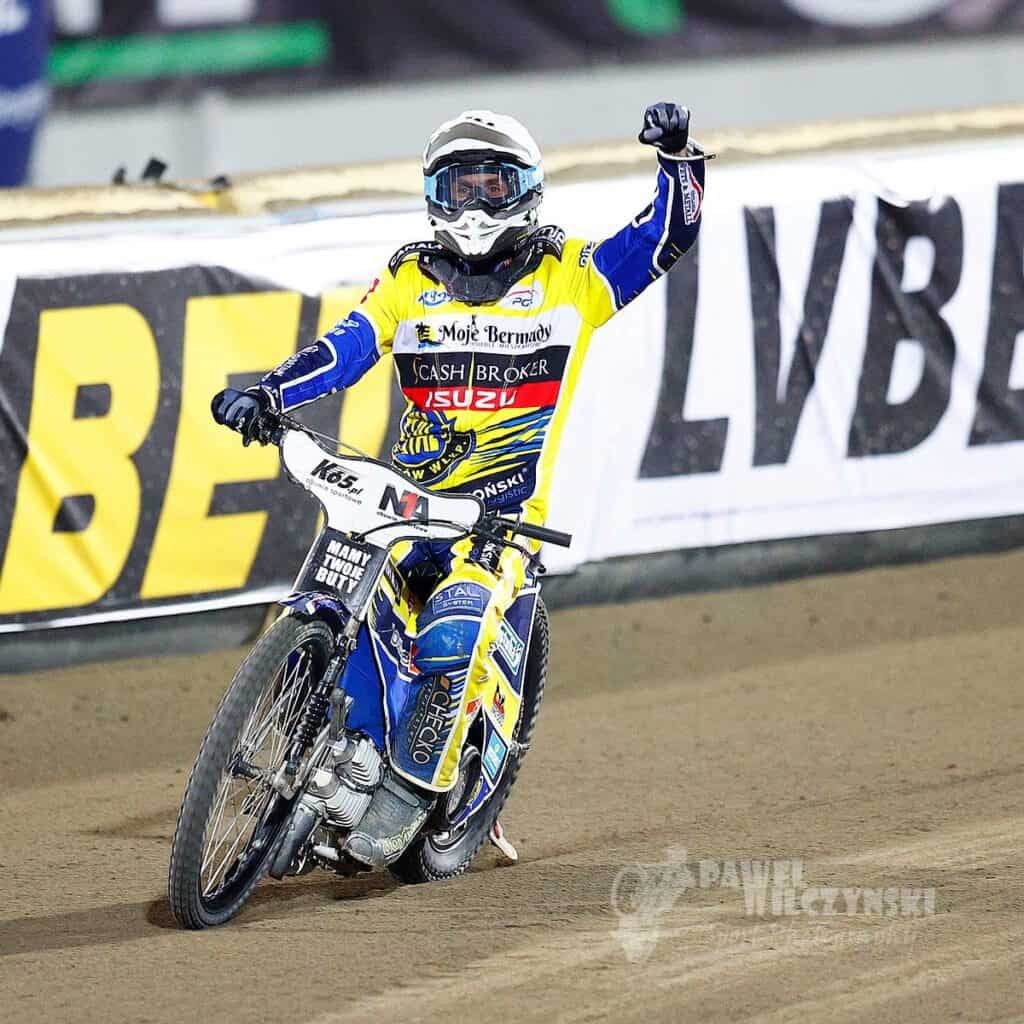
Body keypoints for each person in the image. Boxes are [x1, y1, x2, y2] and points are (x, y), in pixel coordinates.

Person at [213, 102, 706, 867]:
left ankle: (412, 793)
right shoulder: (409, 276)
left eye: (492, 184)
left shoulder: (571, 275)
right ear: (433, 194)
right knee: (337, 603)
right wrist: (269, 393)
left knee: (452, 630)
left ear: (527, 189)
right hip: (403, 507)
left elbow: (664, 239)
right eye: (458, 185)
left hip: (500, 523)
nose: (474, 204)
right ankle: (344, 754)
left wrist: (677, 159)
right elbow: (346, 347)